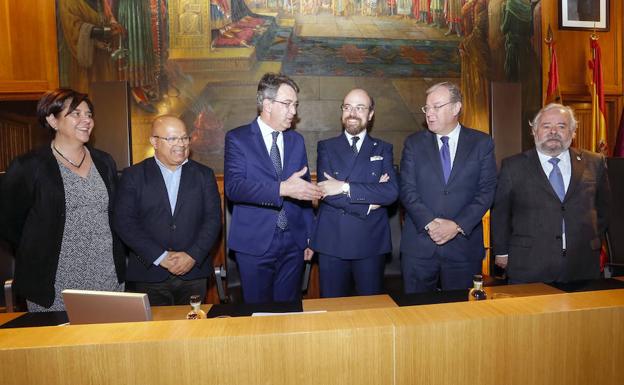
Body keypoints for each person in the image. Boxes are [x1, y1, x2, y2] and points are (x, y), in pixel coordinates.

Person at [0, 88, 125, 311]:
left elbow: (114, 215)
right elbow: (10, 224)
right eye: (76, 114)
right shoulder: (28, 166)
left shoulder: (104, 162)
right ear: (52, 120)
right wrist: (39, 246)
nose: (86, 120)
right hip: (53, 282)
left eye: (88, 114)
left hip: (106, 276)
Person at [224, 73, 322, 303]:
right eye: (287, 104)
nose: (294, 112)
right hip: (255, 243)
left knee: (289, 313)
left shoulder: (296, 141)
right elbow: (235, 188)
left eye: (295, 105)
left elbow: (303, 191)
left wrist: (310, 237)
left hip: (294, 242)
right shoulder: (238, 139)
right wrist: (281, 189)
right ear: (266, 104)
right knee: (259, 317)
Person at [491, 104, 611, 283]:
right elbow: (501, 213)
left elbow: (604, 209)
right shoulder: (513, 166)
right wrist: (501, 252)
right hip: (529, 264)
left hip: (581, 263)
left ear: (572, 132)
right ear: (534, 131)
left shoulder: (594, 163)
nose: (553, 131)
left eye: (561, 126)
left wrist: (586, 239)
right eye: (546, 126)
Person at [399, 82, 497, 293]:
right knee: (417, 315)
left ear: (456, 108)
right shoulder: (413, 144)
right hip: (419, 248)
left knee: (461, 315)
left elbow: (487, 191)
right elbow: (407, 190)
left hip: (463, 249)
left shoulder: (481, 143)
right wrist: (430, 224)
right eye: (427, 108)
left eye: (436, 106)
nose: (429, 113)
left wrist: (456, 226)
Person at [113, 115, 221, 306]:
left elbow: (213, 220)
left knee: (193, 331)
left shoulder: (203, 175)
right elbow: (124, 222)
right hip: (149, 273)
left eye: (184, 138)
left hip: (193, 273)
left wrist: (193, 255)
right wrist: (159, 256)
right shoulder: (133, 176)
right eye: (172, 139)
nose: (181, 144)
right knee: (153, 333)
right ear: (154, 142)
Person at [311, 89, 398, 297]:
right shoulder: (326, 147)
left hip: (371, 242)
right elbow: (326, 193)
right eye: (348, 107)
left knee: (370, 311)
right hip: (332, 242)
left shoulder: (382, 148)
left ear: (370, 114)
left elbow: (391, 192)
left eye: (360, 108)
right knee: (332, 312)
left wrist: (344, 187)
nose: (352, 113)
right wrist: (369, 204)